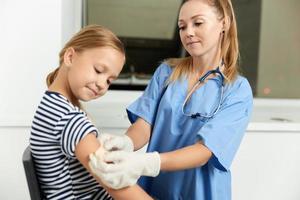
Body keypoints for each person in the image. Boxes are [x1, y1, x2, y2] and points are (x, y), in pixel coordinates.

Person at [90, 0, 253, 199]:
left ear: (224, 23)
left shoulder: (237, 89)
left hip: (200, 192)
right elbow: (144, 125)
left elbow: (204, 151)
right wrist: (125, 143)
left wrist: (145, 163)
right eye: (182, 26)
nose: (188, 32)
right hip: (157, 188)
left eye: (198, 23)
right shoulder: (167, 72)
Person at [29, 25, 153, 200]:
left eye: (109, 80)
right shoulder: (68, 118)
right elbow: (113, 180)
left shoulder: (53, 105)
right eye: (99, 70)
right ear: (70, 57)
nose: (103, 84)